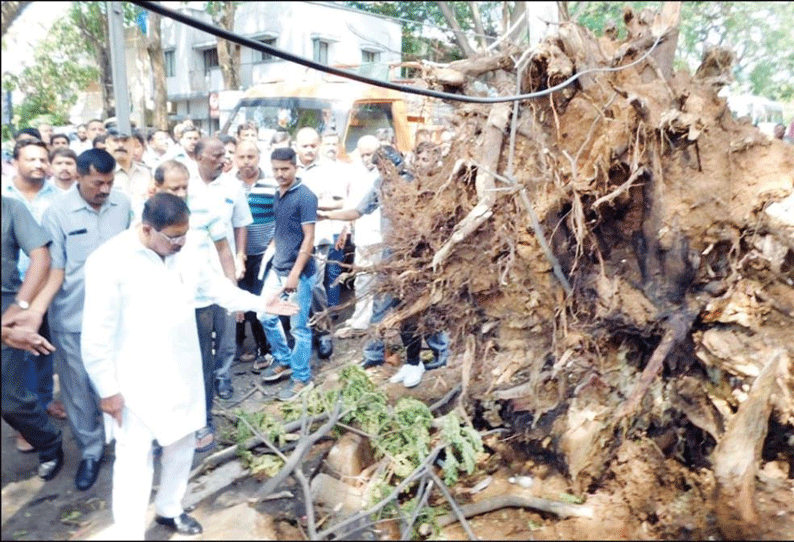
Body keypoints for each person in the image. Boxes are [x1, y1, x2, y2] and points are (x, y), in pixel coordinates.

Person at [81, 192, 298, 539]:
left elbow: (217, 289)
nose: (182, 242)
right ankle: (129, 532)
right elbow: (95, 334)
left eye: (185, 234)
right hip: (133, 377)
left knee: (182, 445)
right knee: (134, 457)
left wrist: (260, 303)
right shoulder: (109, 261)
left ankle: (170, 508)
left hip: (182, 367)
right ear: (147, 228)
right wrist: (107, 390)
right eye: (174, 237)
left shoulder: (188, 248)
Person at [40, 148, 132, 491]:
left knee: (120, 382)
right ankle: (91, 451)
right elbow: (54, 268)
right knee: (78, 390)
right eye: (98, 183)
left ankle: (127, 445)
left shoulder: (122, 205)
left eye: (109, 182)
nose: (105, 190)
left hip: (119, 316)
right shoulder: (56, 213)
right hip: (72, 316)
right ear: (79, 176)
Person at [318, 146, 449, 388]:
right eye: (379, 168)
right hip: (390, 255)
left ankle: (439, 351)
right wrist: (328, 217)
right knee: (381, 305)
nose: (383, 171)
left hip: (416, 255)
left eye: (385, 165)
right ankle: (374, 355)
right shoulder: (379, 185)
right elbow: (358, 210)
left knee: (420, 308)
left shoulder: (416, 181)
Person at [149, 159, 237, 451]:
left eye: (185, 186)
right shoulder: (146, 216)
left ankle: (202, 421)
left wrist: (232, 290)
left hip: (200, 303)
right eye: (174, 188)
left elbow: (224, 250)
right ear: (157, 188)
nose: (182, 193)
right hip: (161, 306)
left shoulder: (206, 207)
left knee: (201, 363)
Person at [3, 140, 66, 446]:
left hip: (44, 285)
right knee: (18, 363)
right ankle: (26, 422)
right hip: (18, 290)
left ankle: (39, 410)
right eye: (31, 158)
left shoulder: (58, 197)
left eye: (44, 159)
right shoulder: (9, 196)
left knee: (41, 352)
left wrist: (27, 300)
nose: (39, 164)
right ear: (15, 162)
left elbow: (48, 253)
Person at [190, 138, 252, 400]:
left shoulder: (233, 186)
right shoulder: (185, 183)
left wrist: (240, 255)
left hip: (224, 267)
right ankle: (201, 380)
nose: (222, 160)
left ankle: (223, 376)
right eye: (215, 156)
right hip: (192, 271)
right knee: (198, 333)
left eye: (224, 155)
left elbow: (241, 223)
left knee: (227, 326)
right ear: (198, 157)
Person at [259, 147, 318, 401]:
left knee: (299, 328)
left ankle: (302, 377)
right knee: (265, 314)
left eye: (285, 169)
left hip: (299, 274)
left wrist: (295, 274)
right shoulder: (277, 193)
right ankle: (283, 359)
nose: (280, 174)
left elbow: (309, 238)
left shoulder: (305, 196)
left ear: (295, 167)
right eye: (276, 169)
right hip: (278, 268)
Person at [295, 127, 343, 359]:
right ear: (296, 146)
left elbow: (339, 202)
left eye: (313, 145)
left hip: (319, 236)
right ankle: (299, 334)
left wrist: (314, 206)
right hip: (292, 237)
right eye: (305, 145)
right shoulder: (288, 168)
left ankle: (323, 332)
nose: (309, 150)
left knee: (315, 285)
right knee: (293, 285)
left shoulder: (329, 170)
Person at [233, 140, 277, 369]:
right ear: (235, 159)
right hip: (237, 255)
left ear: (259, 157)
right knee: (239, 302)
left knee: (261, 302)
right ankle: (237, 346)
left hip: (263, 255)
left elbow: (279, 217)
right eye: (241, 157)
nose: (246, 162)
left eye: (251, 157)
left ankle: (264, 349)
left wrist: (272, 245)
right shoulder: (229, 185)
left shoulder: (272, 183)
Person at [334, 135, 381, 337]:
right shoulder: (357, 172)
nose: (366, 159)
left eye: (370, 154)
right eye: (363, 155)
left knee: (370, 280)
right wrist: (346, 228)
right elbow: (352, 204)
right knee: (361, 278)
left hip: (379, 235)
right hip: (362, 233)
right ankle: (360, 316)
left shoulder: (386, 175)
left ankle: (364, 322)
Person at [108, 129, 152, 209]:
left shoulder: (146, 172)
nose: (121, 145)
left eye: (125, 140)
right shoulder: (99, 174)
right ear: (106, 144)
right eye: (115, 140)